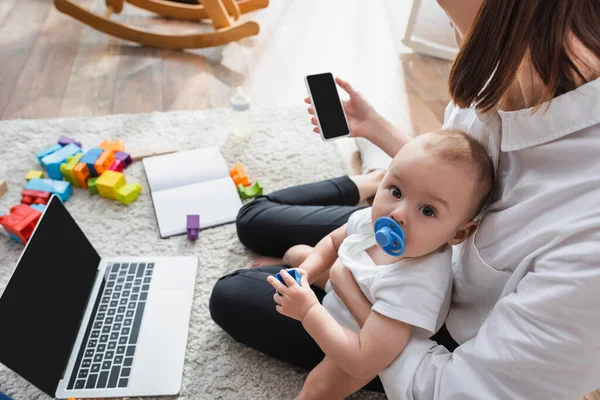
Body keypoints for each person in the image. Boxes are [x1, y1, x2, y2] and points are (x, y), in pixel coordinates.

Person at [210, 0, 600, 398]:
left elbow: (436, 382)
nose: (455, 34)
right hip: (415, 231)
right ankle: (375, 182)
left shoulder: (584, 232)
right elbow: (447, 176)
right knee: (255, 219)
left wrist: (341, 287)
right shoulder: (501, 63)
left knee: (232, 292)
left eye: (454, 20)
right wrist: (376, 131)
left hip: (409, 291)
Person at [267, 130, 494, 400]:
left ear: (457, 234)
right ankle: (287, 264)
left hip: (362, 340)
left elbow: (363, 359)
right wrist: (306, 272)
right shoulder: (375, 219)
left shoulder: (416, 284)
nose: (398, 213)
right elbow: (333, 242)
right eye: (396, 191)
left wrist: (308, 311)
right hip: (353, 288)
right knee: (298, 254)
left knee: (318, 387)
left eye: (427, 211)